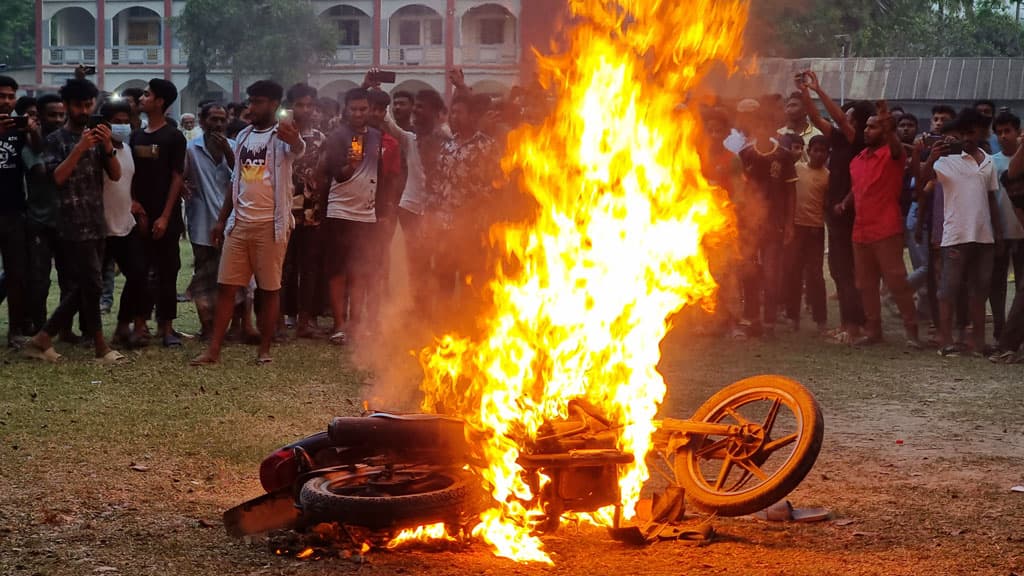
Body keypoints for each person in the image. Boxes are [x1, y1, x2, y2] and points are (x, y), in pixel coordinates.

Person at [191, 80, 304, 366]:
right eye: (250, 101)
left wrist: (294, 138)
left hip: (271, 225)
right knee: (227, 287)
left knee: (269, 289)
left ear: (274, 105)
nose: (251, 107)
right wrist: (221, 220)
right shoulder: (242, 136)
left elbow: (298, 148)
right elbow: (235, 180)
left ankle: (264, 351)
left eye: (258, 102)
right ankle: (213, 351)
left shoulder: (283, 136)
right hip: (239, 224)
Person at [22, 78, 124, 363]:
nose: (84, 110)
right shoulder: (54, 140)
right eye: (79, 105)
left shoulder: (98, 136)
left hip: (95, 218)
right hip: (68, 221)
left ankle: (43, 338)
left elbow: (115, 174)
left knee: (87, 285)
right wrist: (80, 148)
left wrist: (105, 145)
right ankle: (100, 347)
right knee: (91, 283)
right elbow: (56, 178)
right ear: (67, 106)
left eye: (88, 105)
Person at [798, 70, 871, 343]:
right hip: (833, 211)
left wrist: (819, 90)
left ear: (858, 122)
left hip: (847, 211)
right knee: (838, 271)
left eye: (850, 114)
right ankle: (846, 324)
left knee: (847, 270)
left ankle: (855, 328)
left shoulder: (857, 140)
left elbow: (837, 117)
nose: (844, 116)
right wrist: (804, 93)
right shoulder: (840, 138)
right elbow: (817, 119)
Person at [922, 109, 1000, 357]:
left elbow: (991, 199)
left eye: (971, 132)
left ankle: (978, 342)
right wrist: (930, 158)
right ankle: (946, 340)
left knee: (980, 291)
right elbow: (923, 179)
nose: (966, 137)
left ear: (981, 132)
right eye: (962, 133)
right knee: (949, 290)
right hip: (955, 235)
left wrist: (996, 233)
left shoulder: (988, 162)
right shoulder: (946, 162)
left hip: (984, 236)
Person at [847, 102, 921, 347]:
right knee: (865, 284)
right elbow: (858, 190)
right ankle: (873, 331)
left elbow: (896, 146)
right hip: (861, 230)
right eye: (866, 127)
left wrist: (887, 122)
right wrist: (844, 202)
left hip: (886, 228)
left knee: (896, 281)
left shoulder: (893, 155)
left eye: (873, 127)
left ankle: (912, 331)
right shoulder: (856, 160)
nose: (867, 131)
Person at [318, 88, 385, 345]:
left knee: (360, 271)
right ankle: (339, 324)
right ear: (346, 109)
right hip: (340, 212)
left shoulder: (377, 136)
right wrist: (351, 164)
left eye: (363, 109)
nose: (358, 114)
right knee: (338, 271)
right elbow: (338, 174)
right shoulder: (338, 136)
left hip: (366, 214)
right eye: (354, 109)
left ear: (370, 110)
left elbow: (379, 174)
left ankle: (356, 323)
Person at [131, 78, 188, 347]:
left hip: (167, 215)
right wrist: (133, 202)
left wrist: (165, 216)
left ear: (160, 101)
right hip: (139, 215)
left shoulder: (174, 137)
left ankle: (166, 327)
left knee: (168, 270)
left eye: (147, 94)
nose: (142, 98)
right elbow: (129, 174)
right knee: (140, 271)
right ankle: (139, 325)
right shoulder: (136, 136)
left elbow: (178, 177)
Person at [735, 98, 797, 337]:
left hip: (774, 223)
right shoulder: (745, 155)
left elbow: (791, 192)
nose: (761, 129)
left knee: (772, 274)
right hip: (750, 225)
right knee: (749, 272)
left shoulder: (783, 156)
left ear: (772, 129)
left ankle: (769, 320)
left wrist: (790, 223)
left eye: (766, 125)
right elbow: (741, 192)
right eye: (757, 125)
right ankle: (753, 319)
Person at [22, 93, 73, 338]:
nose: (58, 119)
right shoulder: (30, 145)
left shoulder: (67, 143)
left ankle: (64, 328)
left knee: (69, 278)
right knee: (40, 279)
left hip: (65, 221)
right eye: (52, 115)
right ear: (40, 116)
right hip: (39, 221)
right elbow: (44, 173)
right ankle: (39, 327)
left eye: (62, 115)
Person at [279, 83, 328, 339]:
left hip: (312, 212)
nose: (305, 109)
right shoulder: (280, 135)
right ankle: (282, 317)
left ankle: (306, 319)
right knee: (284, 265)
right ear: (291, 106)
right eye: (300, 104)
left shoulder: (321, 138)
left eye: (310, 104)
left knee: (309, 266)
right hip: (285, 209)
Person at [99, 100, 149, 347]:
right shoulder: (98, 150)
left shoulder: (128, 149)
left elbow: (125, 183)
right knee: (90, 282)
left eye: (125, 122)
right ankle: (87, 332)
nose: (122, 126)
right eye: (116, 122)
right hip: (101, 227)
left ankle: (122, 326)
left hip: (125, 225)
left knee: (138, 274)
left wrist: (134, 203)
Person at [184, 102, 235, 339]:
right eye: (213, 119)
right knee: (203, 279)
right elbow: (180, 177)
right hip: (202, 224)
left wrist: (229, 154)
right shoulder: (190, 149)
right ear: (202, 121)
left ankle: (233, 326)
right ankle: (207, 328)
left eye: (222, 120)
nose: (218, 124)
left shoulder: (234, 147)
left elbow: (244, 180)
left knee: (233, 278)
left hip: (231, 226)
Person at [0, 75, 40, 347]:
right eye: (1, 96)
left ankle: (15, 331)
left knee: (17, 273)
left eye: (10, 97)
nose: (6, 101)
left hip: (13, 211)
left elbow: (39, 155)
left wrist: (33, 131)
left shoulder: (19, 129)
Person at [784, 134, 829, 334]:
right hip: (796, 227)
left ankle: (820, 319)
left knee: (815, 275)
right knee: (793, 272)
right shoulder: (796, 170)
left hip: (815, 229)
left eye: (823, 151)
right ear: (808, 151)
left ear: (827, 154)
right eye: (815, 150)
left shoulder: (828, 176)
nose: (819, 155)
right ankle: (793, 317)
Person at [987, 112, 1024, 342]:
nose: (1003, 136)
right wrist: (997, 232)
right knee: (997, 284)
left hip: (1022, 234)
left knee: (1021, 285)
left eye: (1007, 131)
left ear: (1018, 132)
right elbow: (991, 201)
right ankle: (1000, 328)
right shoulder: (992, 163)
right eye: (999, 132)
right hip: (1001, 232)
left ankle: (1016, 332)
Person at [778, 91, 822, 161]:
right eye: (788, 106)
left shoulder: (817, 135)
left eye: (794, 105)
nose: (789, 110)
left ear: (805, 110)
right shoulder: (779, 134)